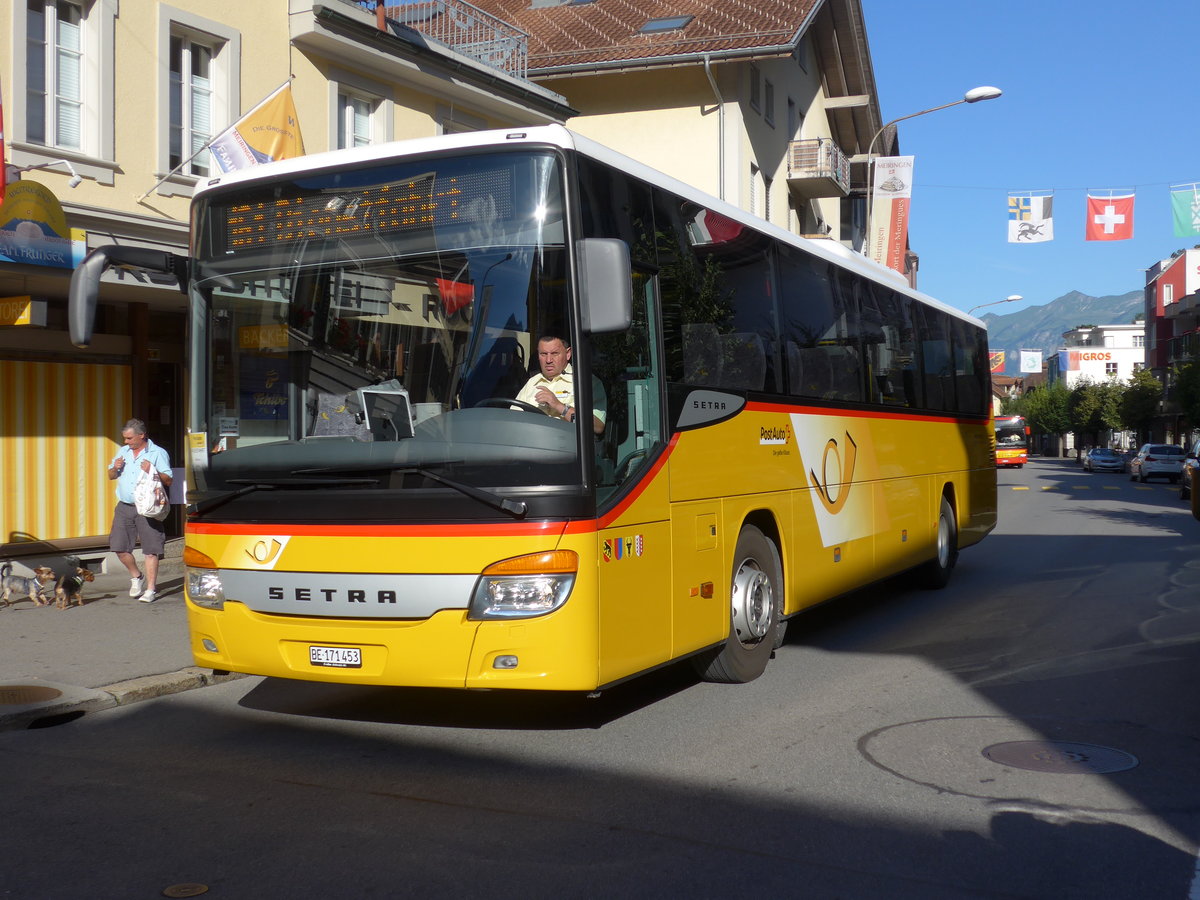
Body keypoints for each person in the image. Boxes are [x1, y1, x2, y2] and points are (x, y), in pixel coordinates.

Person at [107, 418, 173, 603]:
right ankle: (137, 576)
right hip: (124, 506)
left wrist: (153, 470)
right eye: (125, 438)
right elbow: (110, 475)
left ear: (141, 435)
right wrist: (115, 467)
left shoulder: (157, 453)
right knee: (119, 547)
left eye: (129, 438)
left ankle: (151, 589)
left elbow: (168, 480)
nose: (126, 442)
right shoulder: (123, 452)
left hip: (148, 508)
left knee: (151, 550)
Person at [514, 334, 605, 435]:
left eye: (555, 353)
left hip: (566, 446)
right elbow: (513, 418)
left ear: (568, 354)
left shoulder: (586, 382)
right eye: (543, 354)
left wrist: (559, 406)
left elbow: (598, 426)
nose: (548, 360)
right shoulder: (532, 382)